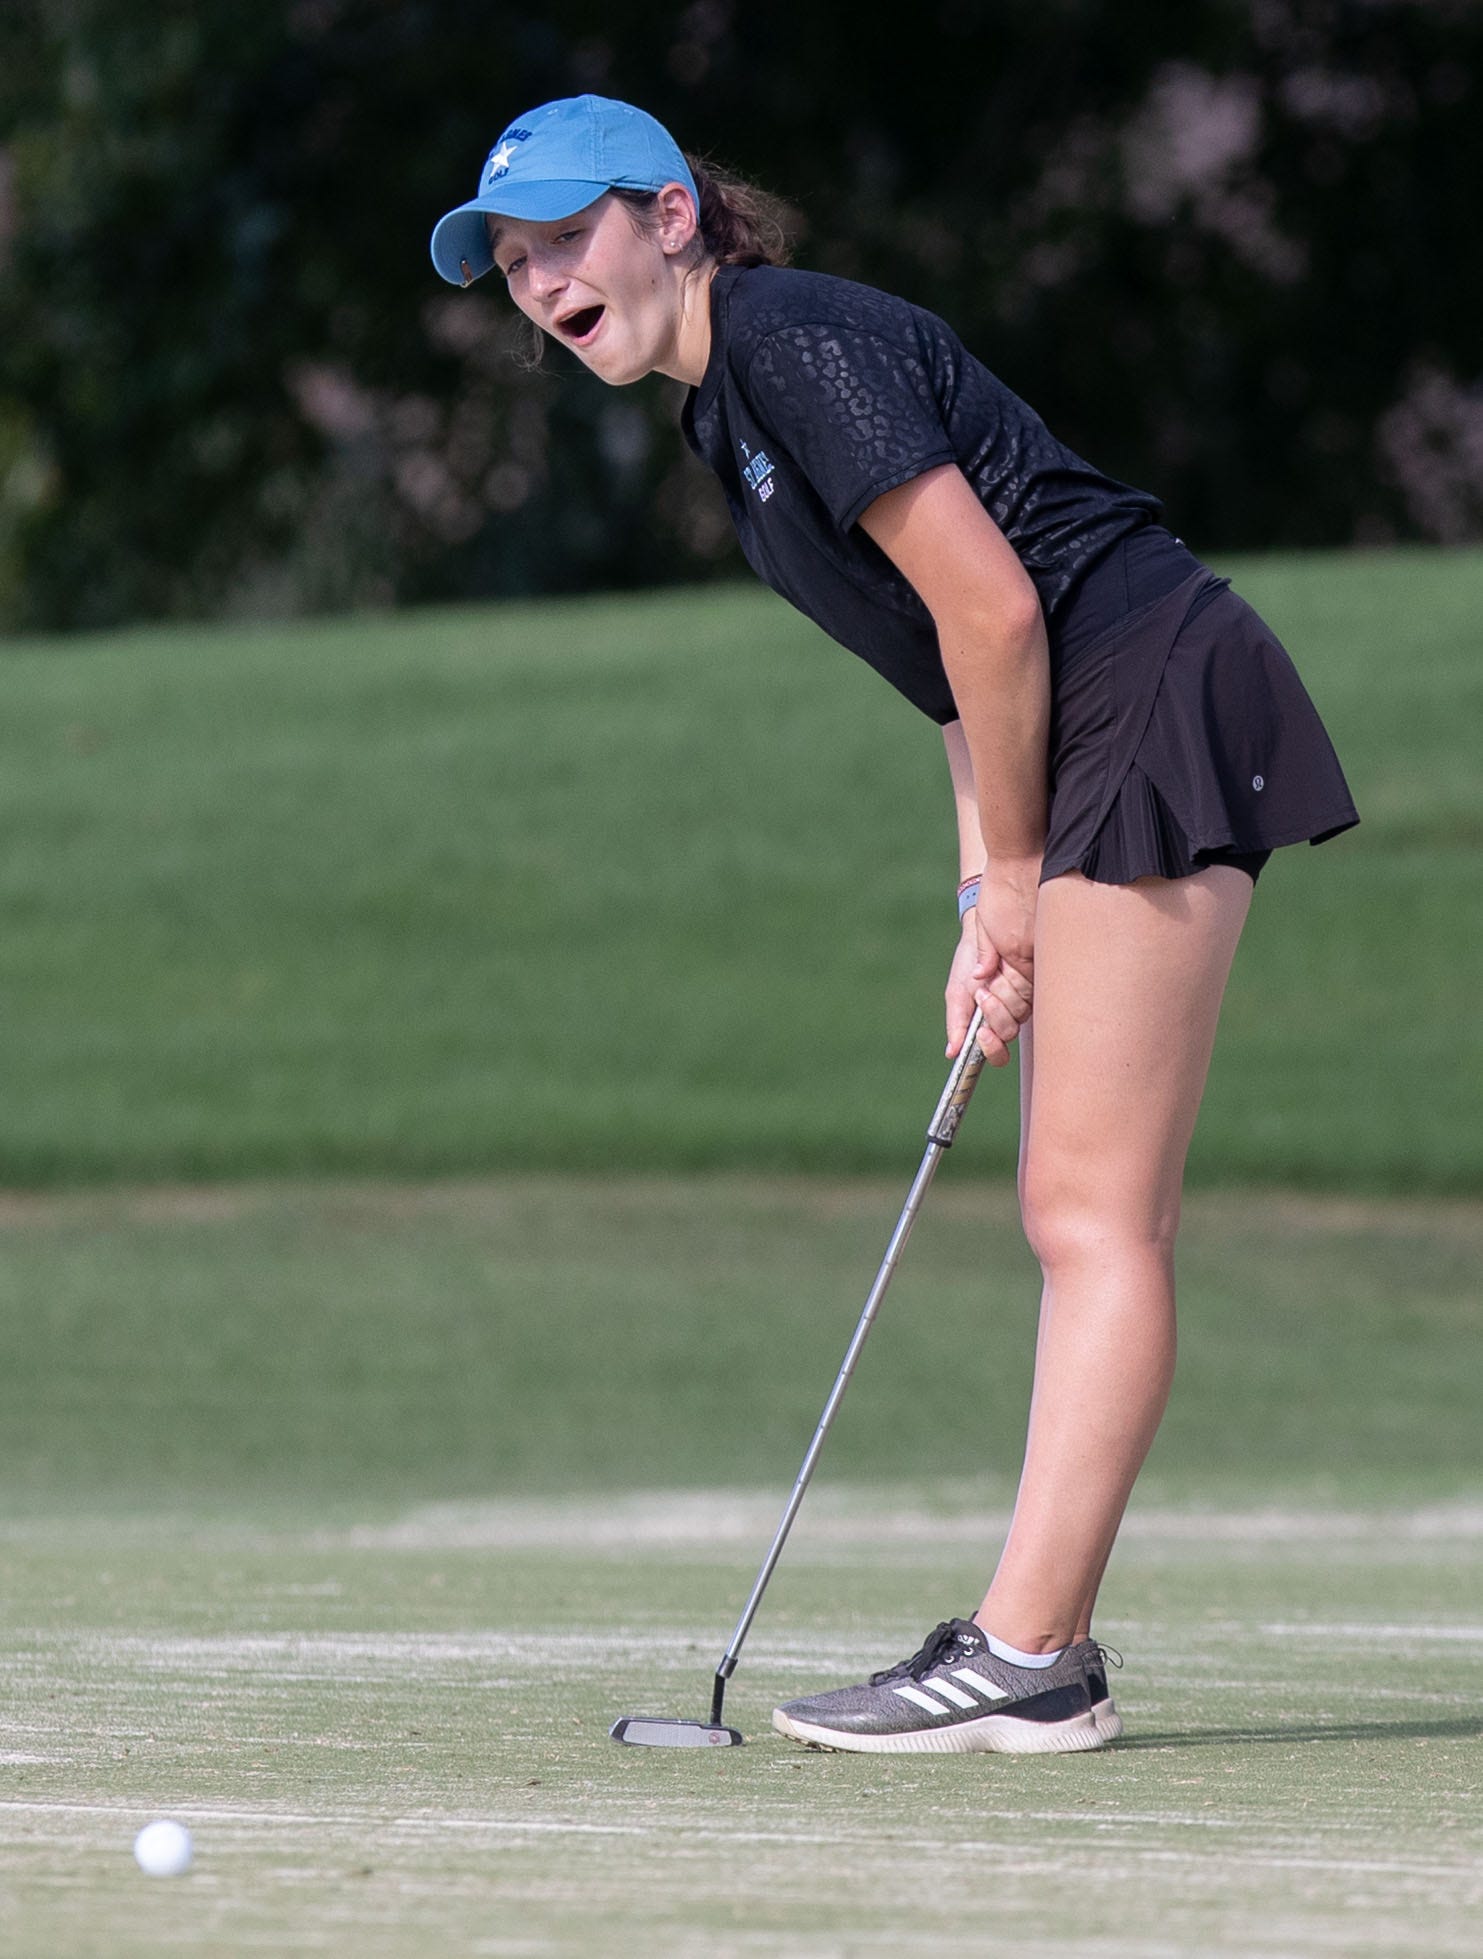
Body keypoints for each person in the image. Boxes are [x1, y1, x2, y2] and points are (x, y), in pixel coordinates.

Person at [430, 95, 1358, 1756]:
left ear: (672, 219)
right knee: (1070, 1205)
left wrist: (1016, 870)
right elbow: (951, 667)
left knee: (1092, 1211)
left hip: (1142, 687)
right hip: (1084, 722)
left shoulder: (785, 339)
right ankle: (1034, 1646)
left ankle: (1029, 1656)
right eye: (511, 264)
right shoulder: (732, 419)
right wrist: (980, 903)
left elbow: (1004, 608)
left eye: (567, 236)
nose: (541, 283)